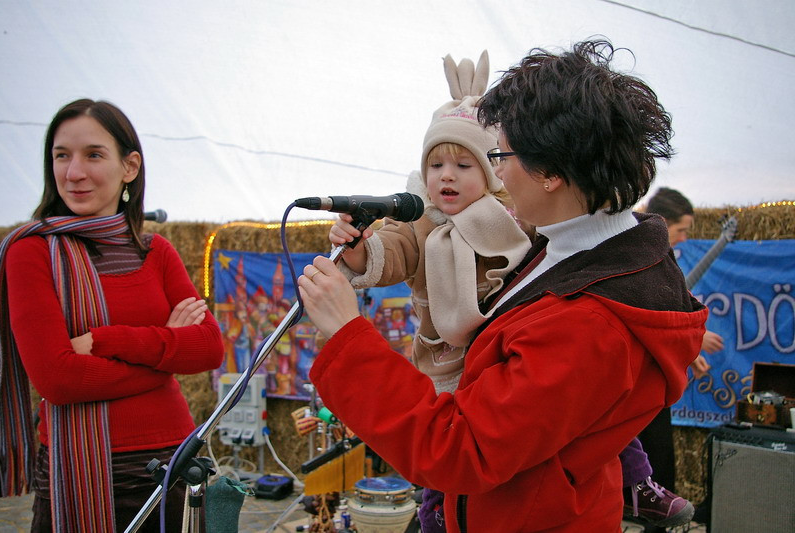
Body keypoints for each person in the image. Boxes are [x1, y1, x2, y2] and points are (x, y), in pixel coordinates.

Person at [298, 39, 708, 532]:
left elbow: (462, 449)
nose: (498, 173)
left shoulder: (589, 321)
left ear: (551, 171)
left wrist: (348, 336)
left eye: (501, 155)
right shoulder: (568, 253)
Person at [0, 99, 224, 532]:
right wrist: (164, 353)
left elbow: (210, 349)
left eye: (93, 155)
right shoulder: (31, 251)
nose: (74, 172)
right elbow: (57, 380)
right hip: (76, 470)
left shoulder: (156, 250)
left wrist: (106, 341)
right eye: (62, 155)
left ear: (130, 166)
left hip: (172, 466)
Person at [327, 51, 531, 532]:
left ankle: (637, 480)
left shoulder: (515, 220)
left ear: (490, 171)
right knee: (443, 458)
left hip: (501, 366)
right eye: (435, 163)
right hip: (442, 363)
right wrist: (359, 249)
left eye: (463, 164)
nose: (446, 174)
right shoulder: (420, 222)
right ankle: (435, 512)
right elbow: (393, 252)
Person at [630, 186, 724, 532]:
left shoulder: (658, 259)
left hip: (653, 381)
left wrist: (690, 346)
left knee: (660, 462)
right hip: (639, 383)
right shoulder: (642, 257)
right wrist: (691, 345)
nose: (685, 238)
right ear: (663, 223)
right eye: (682, 229)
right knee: (655, 462)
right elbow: (644, 320)